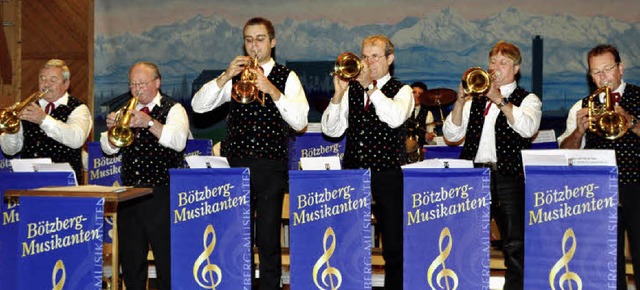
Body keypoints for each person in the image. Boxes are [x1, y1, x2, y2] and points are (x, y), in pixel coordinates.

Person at [191, 17, 309, 290]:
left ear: (273, 42)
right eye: (248, 39)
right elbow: (198, 106)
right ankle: (236, 284)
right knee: (236, 235)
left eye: (260, 39)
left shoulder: (286, 77)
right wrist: (224, 77)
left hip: (270, 165)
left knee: (267, 236)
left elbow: (300, 120)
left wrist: (272, 89)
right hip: (236, 164)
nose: (253, 45)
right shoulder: (236, 75)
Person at [442, 41, 542, 290]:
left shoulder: (528, 99)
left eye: (503, 63)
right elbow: (452, 135)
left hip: (508, 176)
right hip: (475, 174)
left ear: (516, 68)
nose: (495, 68)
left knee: (514, 243)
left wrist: (500, 101)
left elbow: (528, 128)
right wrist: (459, 101)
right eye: (493, 62)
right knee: (467, 238)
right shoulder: (475, 98)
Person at [321, 34, 413, 290]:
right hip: (354, 173)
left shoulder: (402, 90)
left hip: (389, 174)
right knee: (349, 241)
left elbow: (394, 118)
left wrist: (371, 88)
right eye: (364, 56)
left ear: (390, 59)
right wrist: (338, 95)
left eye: (375, 56)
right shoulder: (351, 90)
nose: (368, 62)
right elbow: (332, 131)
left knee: (394, 246)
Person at [100, 61, 190, 290]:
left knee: (165, 258)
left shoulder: (174, 108)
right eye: (132, 84)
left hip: (162, 193)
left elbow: (178, 142)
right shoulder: (125, 111)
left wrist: (149, 122)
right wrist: (111, 132)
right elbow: (108, 148)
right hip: (130, 194)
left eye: (142, 83)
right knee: (131, 261)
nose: (136, 89)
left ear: (157, 83)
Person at [558, 44, 640, 289]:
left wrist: (633, 122)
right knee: (607, 263)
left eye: (608, 69)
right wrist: (578, 131)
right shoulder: (581, 106)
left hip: (637, 187)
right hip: (600, 192)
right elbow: (565, 153)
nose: (603, 77)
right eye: (596, 72)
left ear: (620, 69)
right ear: (590, 76)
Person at [0, 59, 92, 184]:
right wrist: (13, 128)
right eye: (42, 79)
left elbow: (76, 139)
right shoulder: (28, 107)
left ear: (66, 84)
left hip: (66, 187)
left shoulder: (79, 109)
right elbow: (9, 150)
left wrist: (43, 119)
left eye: (53, 80)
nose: (46, 84)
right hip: (29, 183)